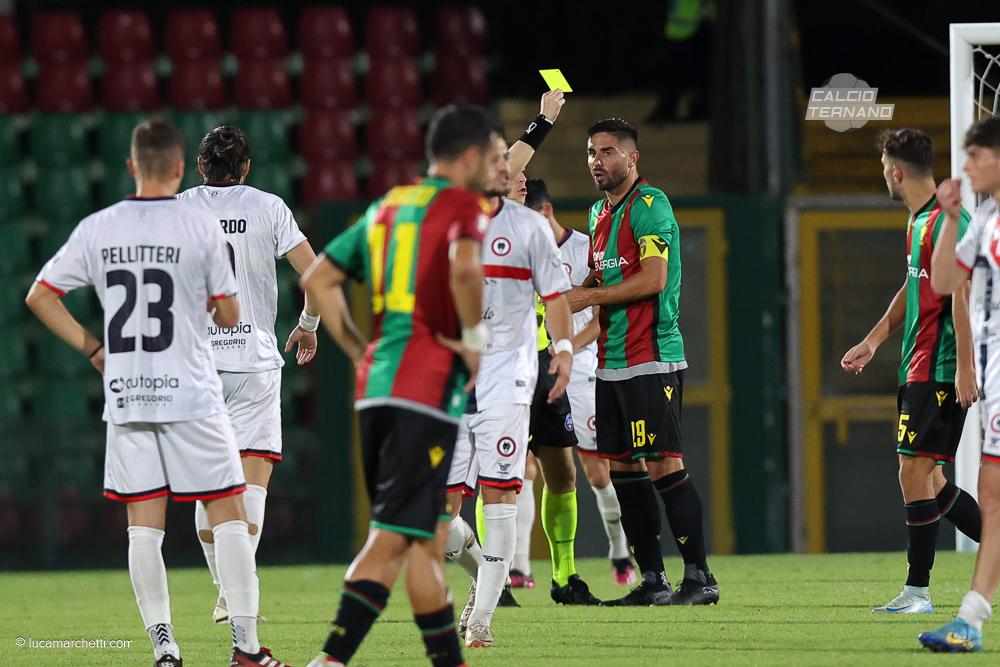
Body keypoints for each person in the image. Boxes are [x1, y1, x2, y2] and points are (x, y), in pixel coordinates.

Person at [25, 120, 288, 666]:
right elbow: (229, 313)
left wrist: (93, 349)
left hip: (129, 389)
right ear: (178, 168)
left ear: (131, 166)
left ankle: (165, 650)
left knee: (143, 527)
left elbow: (40, 296)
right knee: (228, 510)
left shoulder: (99, 226)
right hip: (190, 386)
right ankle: (246, 649)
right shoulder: (197, 225)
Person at [301, 104, 502, 667]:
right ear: (469, 156)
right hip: (426, 391)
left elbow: (317, 278)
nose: (497, 168)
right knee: (391, 537)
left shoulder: (387, 205)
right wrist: (473, 340)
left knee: (424, 539)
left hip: (378, 388)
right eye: (492, 156)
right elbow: (466, 268)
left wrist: (357, 350)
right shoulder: (462, 205)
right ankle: (330, 660)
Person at [567, 117, 718, 606]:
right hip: (609, 360)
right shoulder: (598, 213)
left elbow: (653, 279)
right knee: (623, 470)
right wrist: (573, 292)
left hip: (650, 356)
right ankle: (652, 582)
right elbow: (602, 272)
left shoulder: (651, 206)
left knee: (662, 464)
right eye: (592, 152)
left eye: (608, 152)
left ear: (633, 158)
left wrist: (585, 298)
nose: (597, 161)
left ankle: (699, 578)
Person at [177, 125, 323, 623]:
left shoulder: (179, 210)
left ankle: (225, 589)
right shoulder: (268, 206)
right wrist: (308, 326)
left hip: (197, 365)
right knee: (253, 480)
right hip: (254, 361)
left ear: (201, 167)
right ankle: (233, 594)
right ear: (246, 168)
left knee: (208, 485)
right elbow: (315, 274)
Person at [840, 128, 980, 614]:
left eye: (884, 169)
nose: (885, 176)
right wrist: (873, 340)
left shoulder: (948, 221)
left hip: (940, 367)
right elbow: (914, 284)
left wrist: (964, 367)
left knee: (913, 472)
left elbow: (961, 293)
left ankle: (917, 592)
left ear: (897, 171)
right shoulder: (919, 220)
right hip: (918, 365)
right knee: (931, 483)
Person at [525, 177, 637, 586]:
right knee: (524, 470)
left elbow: (602, 317)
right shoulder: (518, 252)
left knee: (597, 474)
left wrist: (567, 347)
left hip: (584, 370)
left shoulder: (586, 249)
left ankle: (619, 550)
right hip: (534, 369)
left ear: (546, 211)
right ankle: (517, 567)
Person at [920, 115, 1000, 652]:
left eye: (975, 155)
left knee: (994, 496)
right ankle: (971, 620)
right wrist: (950, 217)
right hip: (994, 373)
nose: (965, 166)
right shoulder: (986, 214)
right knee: (993, 497)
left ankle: (971, 620)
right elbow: (947, 280)